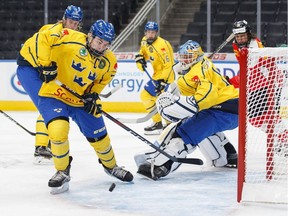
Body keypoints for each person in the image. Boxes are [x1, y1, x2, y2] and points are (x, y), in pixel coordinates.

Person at [16, 19, 133, 194]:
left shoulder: (110, 62)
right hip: (53, 93)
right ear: (91, 36)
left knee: (100, 136)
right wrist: (45, 64)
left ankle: (111, 166)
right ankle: (62, 171)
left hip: (80, 100)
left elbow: (101, 81)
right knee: (58, 130)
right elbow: (43, 38)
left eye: (106, 44)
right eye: (99, 41)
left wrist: (93, 95)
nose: (101, 47)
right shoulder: (69, 37)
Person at [134, 40, 239, 180]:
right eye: (183, 56)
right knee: (202, 130)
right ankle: (227, 157)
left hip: (222, 110)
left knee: (183, 133)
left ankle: (160, 166)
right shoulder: (197, 67)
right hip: (230, 109)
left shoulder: (200, 70)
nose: (184, 59)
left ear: (196, 56)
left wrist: (178, 107)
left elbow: (207, 97)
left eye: (188, 56)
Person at [32, 5, 83, 164]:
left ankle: (46, 142)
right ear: (64, 19)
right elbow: (40, 47)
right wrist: (44, 66)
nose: (73, 25)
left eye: (76, 23)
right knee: (46, 106)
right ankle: (41, 148)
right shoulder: (52, 30)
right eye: (71, 21)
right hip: (35, 67)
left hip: (53, 72)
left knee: (52, 107)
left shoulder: (76, 36)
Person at [230, 20, 287, 157]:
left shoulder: (255, 47)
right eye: (238, 36)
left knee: (260, 118)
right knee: (261, 118)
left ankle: (284, 140)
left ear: (248, 34)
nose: (240, 39)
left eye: (243, 35)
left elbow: (253, 71)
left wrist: (232, 82)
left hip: (266, 85)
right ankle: (283, 139)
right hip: (257, 85)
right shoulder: (236, 46)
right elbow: (245, 71)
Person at [135, 21, 175, 135]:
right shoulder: (144, 41)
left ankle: (168, 124)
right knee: (151, 97)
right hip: (157, 75)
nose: (150, 35)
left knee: (162, 99)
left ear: (156, 33)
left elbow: (169, 66)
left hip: (167, 76)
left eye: (153, 32)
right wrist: (140, 63)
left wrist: (163, 82)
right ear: (145, 32)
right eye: (148, 32)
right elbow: (142, 54)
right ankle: (160, 123)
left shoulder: (163, 45)